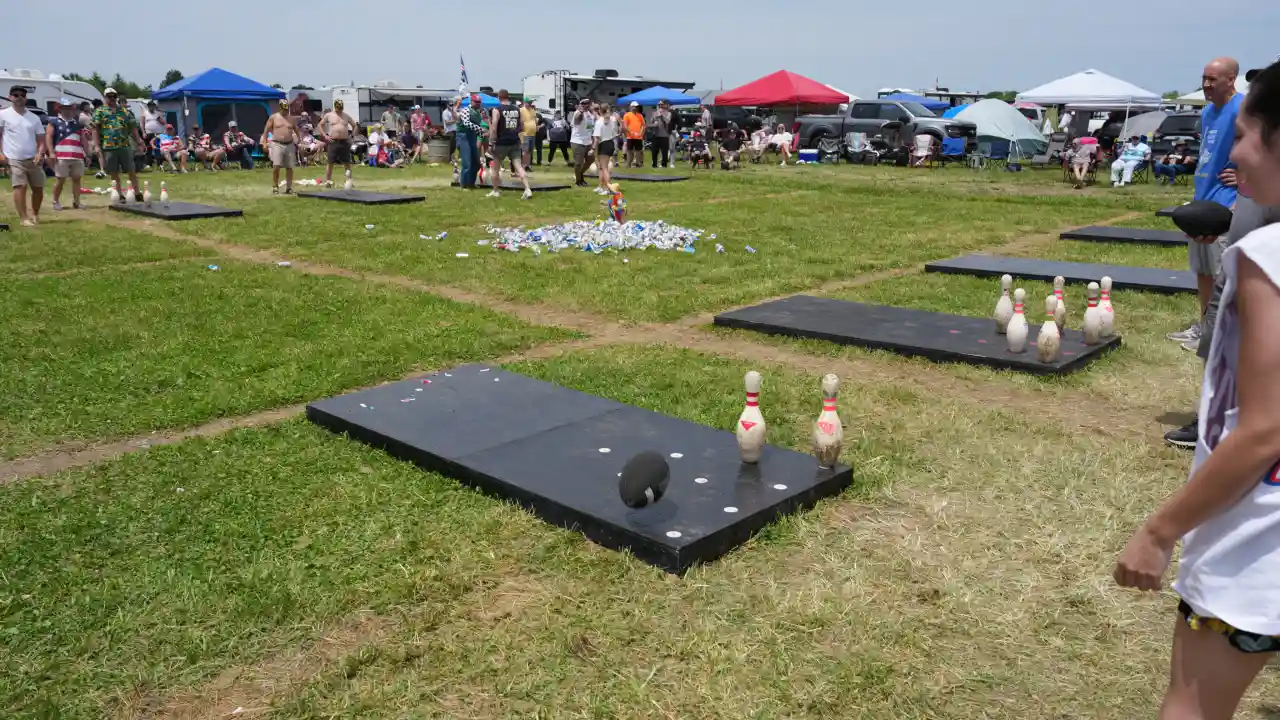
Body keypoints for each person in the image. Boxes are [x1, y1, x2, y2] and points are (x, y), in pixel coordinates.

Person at [1114, 59, 1280, 719]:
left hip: (1255, 544)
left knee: (1191, 705)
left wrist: (1160, 532)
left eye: (1243, 135)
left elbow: (1265, 429)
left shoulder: (1267, 259)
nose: (1232, 154)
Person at [1164, 57, 1280, 450]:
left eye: (1245, 138)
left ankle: (1226, 422)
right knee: (1217, 339)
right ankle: (1212, 417)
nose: (1237, 152)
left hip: (1255, 276)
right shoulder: (1257, 168)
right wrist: (1223, 222)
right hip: (1234, 257)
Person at [1168, 57, 1246, 354]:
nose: (1205, 85)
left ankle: (1221, 333)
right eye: (1204, 78)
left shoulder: (1243, 108)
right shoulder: (1207, 113)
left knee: (1222, 274)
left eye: (1213, 79)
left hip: (1226, 204)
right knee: (1203, 271)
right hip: (1203, 199)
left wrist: (1245, 177)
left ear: (1231, 79)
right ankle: (1205, 327)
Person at [0, 85, 47, 226]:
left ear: (26, 98)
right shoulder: (3, 114)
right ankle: (24, 218)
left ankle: (35, 214)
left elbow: (41, 140)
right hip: (13, 158)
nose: (19, 98)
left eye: (23, 95)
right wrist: (1, 154)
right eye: (16, 95)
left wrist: (40, 153)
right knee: (20, 186)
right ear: (10, 97)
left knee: (38, 188)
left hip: (33, 158)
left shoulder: (34, 118)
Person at [90, 87, 145, 204]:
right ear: (105, 97)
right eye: (109, 96)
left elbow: (133, 128)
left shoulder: (124, 111)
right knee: (114, 172)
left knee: (131, 170)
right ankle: (119, 194)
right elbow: (95, 129)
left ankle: (137, 193)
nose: (112, 98)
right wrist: (97, 145)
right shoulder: (99, 111)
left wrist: (139, 142)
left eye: (114, 96)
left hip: (124, 145)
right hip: (108, 146)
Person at [487, 89, 532, 200]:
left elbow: (494, 127)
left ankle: (495, 191)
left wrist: (491, 142)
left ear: (499, 97)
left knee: (495, 168)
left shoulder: (497, 109)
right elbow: (522, 125)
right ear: (508, 97)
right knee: (519, 166)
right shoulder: (517, 109)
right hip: (514, 141)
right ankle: (527, 189)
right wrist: (514, 131)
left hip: (501, 142)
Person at [45, 98, 87, 211]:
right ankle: (55, 201)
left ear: (73, 109)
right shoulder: (53, 122)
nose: (67, 110)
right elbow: (48, 136)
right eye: (64, 108)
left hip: (77, 155)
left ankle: (77, 202)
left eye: (69, 108)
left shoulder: (78, 124)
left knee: (77, 179)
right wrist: (51, 152)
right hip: (61, 155)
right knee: (60, 179)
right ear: (60, 109)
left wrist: (87, 154)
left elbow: (83, 139)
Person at [262, 99, 299, 193]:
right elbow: (266, 131)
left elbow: (296, 130)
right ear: (280, 108)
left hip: (289, 143)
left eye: (287, 109)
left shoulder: (291, 119)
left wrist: (300, 140)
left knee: (289, 167)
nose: (286, 111)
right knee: (276, 166)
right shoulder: (274, 117)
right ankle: (275, 186)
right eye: (284, 109)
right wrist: (264, 143)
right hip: (277, 143)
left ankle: (289, 187)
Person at [320, 100, 357, 187]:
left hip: (344, 141)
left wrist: (352, 136)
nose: (339, 109)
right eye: (338, 108)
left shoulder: (346, 116)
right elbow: (320, 125)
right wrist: (325, 136)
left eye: (341, 108)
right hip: (333, 141)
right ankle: (328, 181)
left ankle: (349, 181)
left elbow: (354, 125)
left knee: (347, 162)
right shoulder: (329, 115)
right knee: (330, 162)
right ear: (335, 106)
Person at [455, 95, 483, 188]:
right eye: (476, 102)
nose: (478, 104)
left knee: (476, 163)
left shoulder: (478, 112)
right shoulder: (466, 110)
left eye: (479, 102)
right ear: (471, 101)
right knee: (467, 163)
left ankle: (471, 183)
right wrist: (479, 129)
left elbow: (479, 125)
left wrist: (480, 135)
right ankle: (464, 185)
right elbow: (466, 123)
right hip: (463, 136)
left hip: (472, 137)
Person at [592, 103, 620, 194]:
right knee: (601, 167)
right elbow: (616, 132)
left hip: (603, 144)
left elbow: (597, 138)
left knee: (604, 168)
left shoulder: (599, 122)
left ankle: (608, 188)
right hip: (610, 143)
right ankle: (601, 186)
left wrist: (592, 149)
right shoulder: (613, 119)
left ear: (600, 111)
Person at [571, 98, 596, 187]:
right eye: (583, 104)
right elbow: (577, 121)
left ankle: (580, 174)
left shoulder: (589, 114)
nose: (585, 105)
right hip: (578, 141)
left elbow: (590, 128)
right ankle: (578, 181)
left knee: (591, 159)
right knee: (578, 163)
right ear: (580, 105)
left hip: (587, 141)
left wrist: (592, 140)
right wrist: (581, 112)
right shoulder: (577, 113)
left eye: (587, 104)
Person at [650, 101, 674, 169]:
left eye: (662, 104)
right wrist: (654, 123)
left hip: (664, 135)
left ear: (665, 105)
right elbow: (651, 122)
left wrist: (662, 115)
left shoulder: (669, 113)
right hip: (656, 134)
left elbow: (667, 121)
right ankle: (654, 164)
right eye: (659, 104)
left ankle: (664, 165)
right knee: (654, 151)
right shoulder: (654, 113)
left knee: (664, 151)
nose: (661, 106)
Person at [622, 101, 646, 169]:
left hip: (638, 137)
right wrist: (630, 132)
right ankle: (628, 164)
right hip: (630, 136)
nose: (635, 108)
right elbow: (625, 126)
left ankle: (638, 163)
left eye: (636, 107)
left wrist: (641, 133)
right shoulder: (627, 115)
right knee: (629, 151)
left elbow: (643, 125)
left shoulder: (640, 115)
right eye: (634, 106)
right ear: (631, 107)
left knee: (638, 151)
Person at [518, 98, 538, 171]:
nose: (529, 104)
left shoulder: (532, 110)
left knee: (530, 151)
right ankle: (523, 166)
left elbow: (535, 120)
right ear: (524, 102)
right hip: (525, 133)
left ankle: (528, 165)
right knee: (525, 151)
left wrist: (536, 126)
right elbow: (519, 120)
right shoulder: (521, 110)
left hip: (532, 133)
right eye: (528, 102)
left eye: (530, 102)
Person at [442, 100, 457, 164]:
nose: (451, 106)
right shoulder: (445, 112)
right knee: (450, 146)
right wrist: (455, 121)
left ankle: (451, 158)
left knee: (454, 145)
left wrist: (453, 111)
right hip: (449, 131)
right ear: (447, 105)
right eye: (450, 105)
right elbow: (447, 122)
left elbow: (456, 117)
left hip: (455, 130)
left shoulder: (453, 111)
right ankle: (449, 159)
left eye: (452, 105)